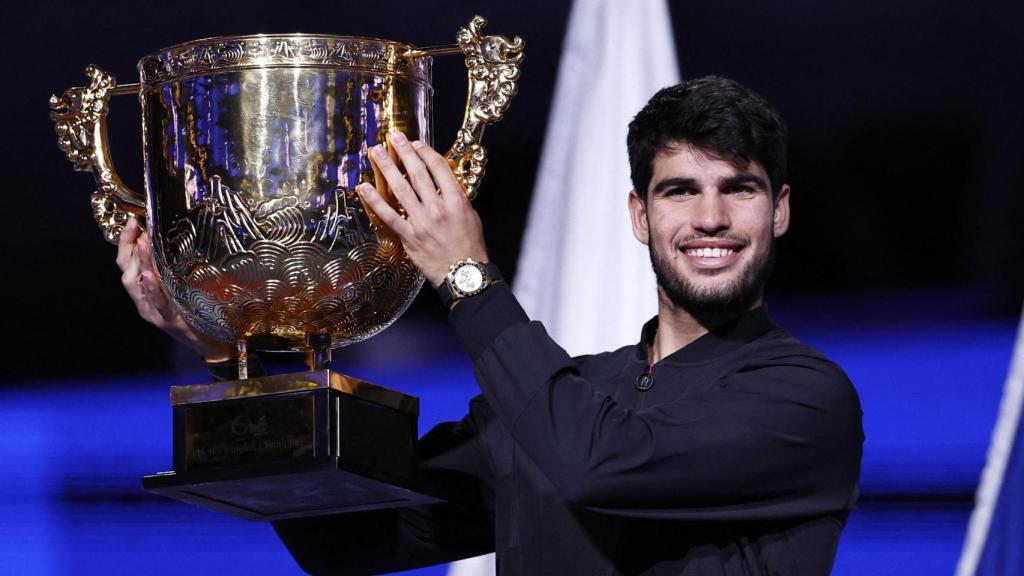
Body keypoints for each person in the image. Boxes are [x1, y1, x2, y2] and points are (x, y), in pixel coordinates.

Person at [118, 76, 863, 575]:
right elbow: (343, 537)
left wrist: (467, 277)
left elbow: (592, 464)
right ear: (641, 216)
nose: (710, 218)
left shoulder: (805, 398)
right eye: (680, 190)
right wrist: (236, 351)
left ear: (781, 210)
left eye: (740, 189)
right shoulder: (561, 395)